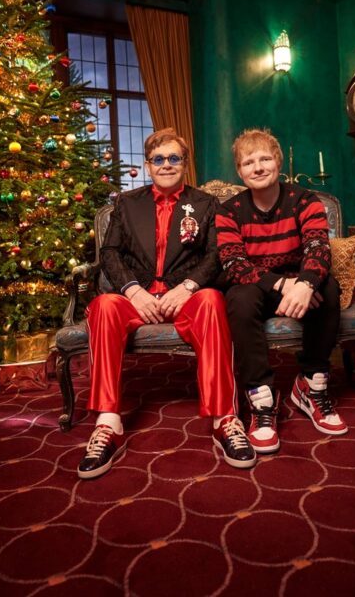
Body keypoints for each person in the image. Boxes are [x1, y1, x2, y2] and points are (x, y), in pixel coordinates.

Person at [78, 127, 256, 479]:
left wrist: (188, 287)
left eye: (174, 158)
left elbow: (217, 254)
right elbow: (110, 252)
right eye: (158, 159)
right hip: (139, 296)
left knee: (211, 300)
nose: (166, 164)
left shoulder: (206, 204)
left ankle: (225, 418)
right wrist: (132, 290)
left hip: (184, 297)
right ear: (148, 165)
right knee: (103, 306)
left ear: (185, 163)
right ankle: (108, 423)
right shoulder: (127, 203)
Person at [216, 128, 347, 456]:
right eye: (249, 162)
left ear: (277, 162)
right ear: (239, 171)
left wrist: (306, 283)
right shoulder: (228, 211)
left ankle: (311, 384)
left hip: (298, 284)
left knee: (328, 288)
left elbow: (318, 247)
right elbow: (233, 264)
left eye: (265, 159)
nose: (258, 167)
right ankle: (261, 399)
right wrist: (285, 284)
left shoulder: (305, 201)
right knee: (238, 297)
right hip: (259, 287)